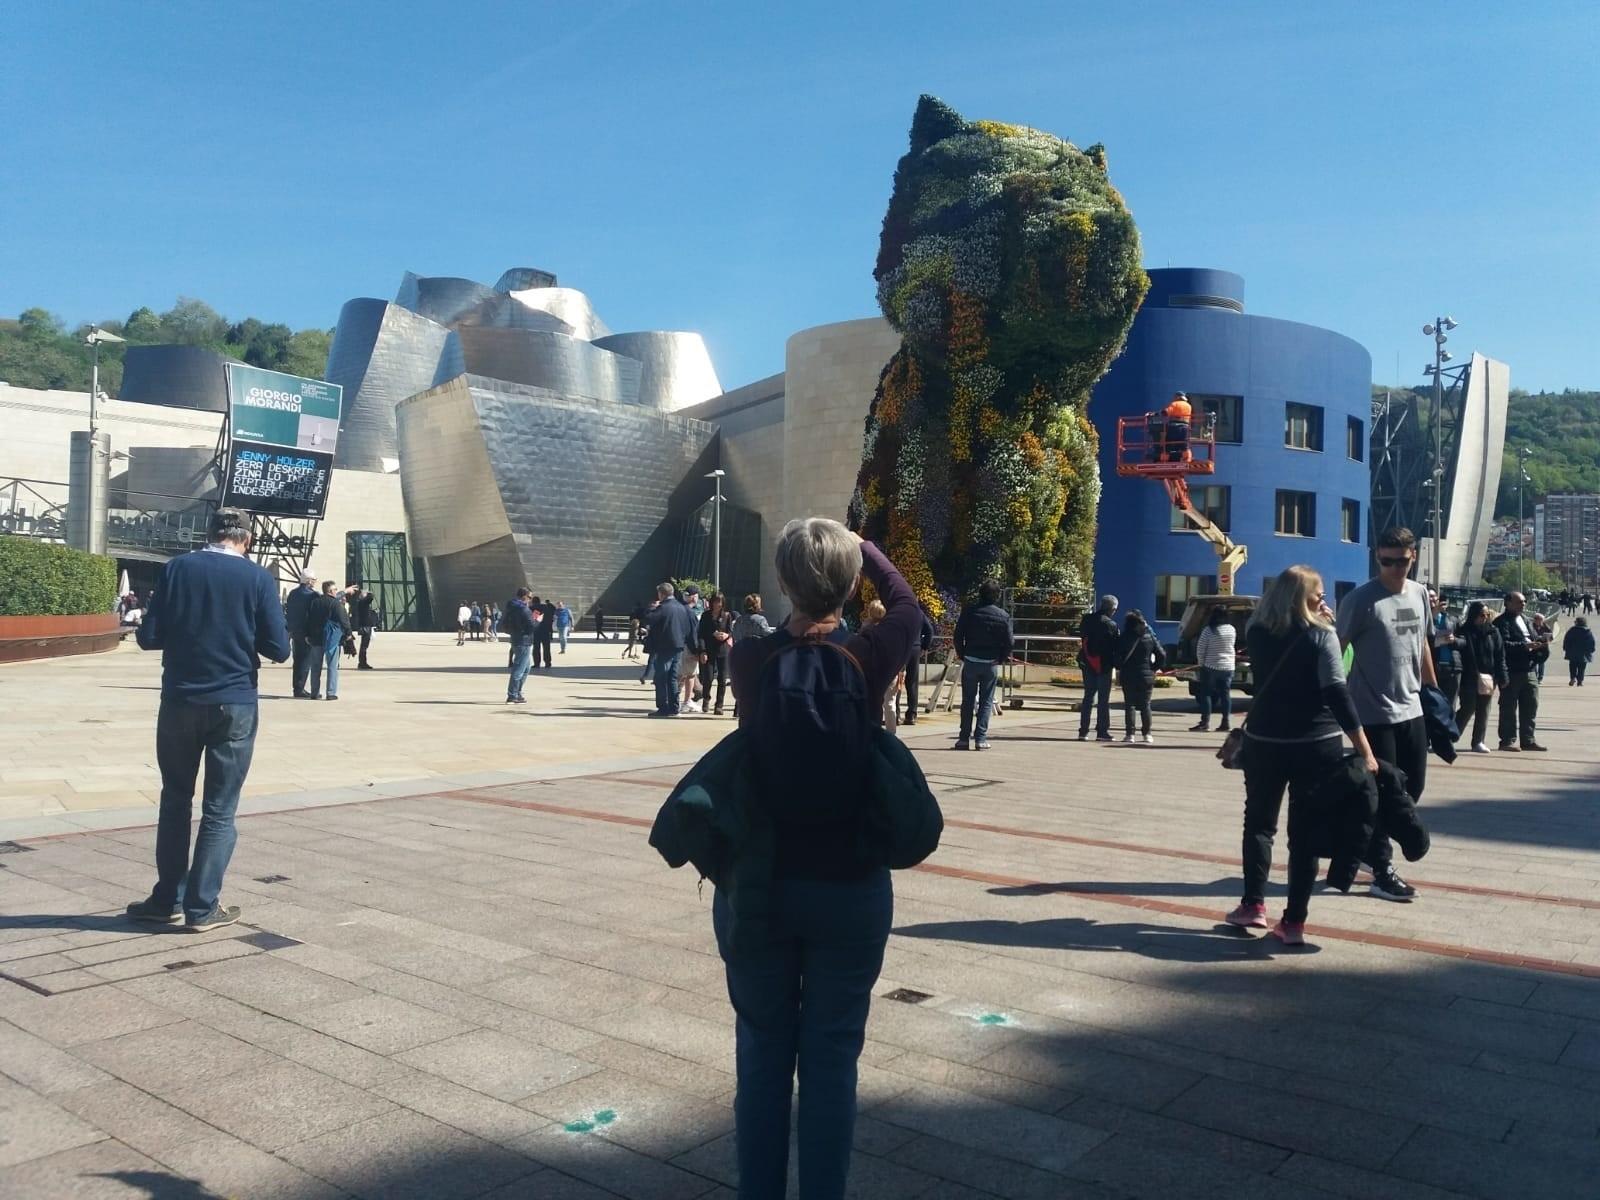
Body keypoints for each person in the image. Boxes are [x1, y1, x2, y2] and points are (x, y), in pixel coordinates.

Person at [722, 517, 918, 1196]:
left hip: (761, 887)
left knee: (762, 1055)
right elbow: (908, 605)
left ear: (782, 582)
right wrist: (863, 546)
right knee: (833, 1057)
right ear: (850, 583)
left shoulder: (749, 659)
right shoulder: (870, 655)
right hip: (851, 885)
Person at [127, 507, 290, 932]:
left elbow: (148, 637)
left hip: (180, 699)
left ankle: (167, 899)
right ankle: (202, 907)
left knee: (175, 799)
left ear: (209, 534)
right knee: (220, 808)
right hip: (233, 702)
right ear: (247, 540)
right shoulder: (258, 579)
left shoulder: (177, 569)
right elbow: (278, 647)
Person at [1228, 565, 1378, 945]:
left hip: (1266, 741)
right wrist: (1364, 748)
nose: (1323, 600)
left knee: (1259, 824)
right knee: (1305, 834)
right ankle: (1293, 923)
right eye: (1318, 594)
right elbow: (1336, 693)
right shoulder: (1321, 635)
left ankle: (1253, 905)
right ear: (1301, 597)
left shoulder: (1257, 631)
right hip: (1317, 744)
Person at [1336, 527, 1436, 902]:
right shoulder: (1361, 600)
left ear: (1413, 558)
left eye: (1401, 561)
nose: (1394, 568)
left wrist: (1433, 692)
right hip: (1373, 713)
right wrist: (1338, 704)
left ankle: (1363, 843)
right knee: (1379, 796)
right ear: (1377, 558)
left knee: (1413, 790)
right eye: (1386, 561)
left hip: (1412, 709)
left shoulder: (1419, 593)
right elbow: (1336, 649)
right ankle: (1381, 869)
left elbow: (1423, 641)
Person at [952, 580, 1013, 751]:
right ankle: (980, 738)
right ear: (996, 596)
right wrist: (1000, 658)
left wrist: (962, 654)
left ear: (980, 593)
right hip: (990, 663)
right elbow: (1009, 642)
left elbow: (958, 636)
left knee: (967, 701)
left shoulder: (969, 612)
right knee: (986, 701)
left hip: (971, 660)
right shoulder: (1003, 616)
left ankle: (963, 739)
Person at [1494, 592, 1546, 751]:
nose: (1523, 605)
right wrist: (1524, 646)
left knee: (1531, 705)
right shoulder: (1501, 622)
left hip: (1529, 670)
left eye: (1524, 602)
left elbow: (1534, 638)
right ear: (1507, 603)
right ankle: (1507, 741)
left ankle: (1528, 740)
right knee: (1508, 707)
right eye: (1519, 602)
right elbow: (1502, 645)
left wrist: (1542, 643)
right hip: (1512, 671)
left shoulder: (1526, 620)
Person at [1455, 601, 1506, 751]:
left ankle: (1478, 741)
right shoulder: (1465, 631)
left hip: (1489, 677)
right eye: (1481, 615)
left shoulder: (1493, 631)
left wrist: (1503, 676)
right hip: (1469, 677)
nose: (1484, 618)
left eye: (1487, 615)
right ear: (1473, 615)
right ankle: (1451, 736)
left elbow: (1500, 655)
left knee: (1484, 709)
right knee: (1468, 707)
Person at [644, 583, 697, 716]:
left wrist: (652, 608)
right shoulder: (681, 607)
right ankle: (674, 707)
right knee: (672, 677)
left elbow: (649, 619)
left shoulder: (663, 608)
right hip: (679, 646)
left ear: (661, 594)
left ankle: (662, 707)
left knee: (661, 677)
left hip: (664, 647)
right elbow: (687, 628)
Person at [1116, 610, 1165, 744]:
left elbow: (1116, 657)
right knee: (1145, 705)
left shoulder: (1124, 638)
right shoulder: (1149, 637)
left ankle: (1130, 734)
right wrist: (1153, 667)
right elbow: (1162, 655)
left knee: (1130, 705)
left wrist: (1120, 666)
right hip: (1146, 675)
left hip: (1128, 675)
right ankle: (1147, 734)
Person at [1077, 595, 1120, 742]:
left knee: (1088, 697)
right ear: (1112, 609)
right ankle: (1102, 731)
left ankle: (1083, 731)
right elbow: (1115, 646)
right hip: (1104, 665)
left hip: (1087, 662)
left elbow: (1082, 637)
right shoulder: (1111, 625)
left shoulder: (1087, 620)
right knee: (1103, 699)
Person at [304, 581, 352, 701]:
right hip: (331, 638)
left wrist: (307, 634)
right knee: (332, 666)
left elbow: (308, 619)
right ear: (330, 591)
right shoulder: (335, 604)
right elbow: (344, 620)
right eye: (335, 589)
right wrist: (348, 634)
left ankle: (314, 692)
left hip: (316, 639)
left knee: (315, 667)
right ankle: (330, 692)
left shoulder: (315, 602)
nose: (336, 591)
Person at [1191, 606, 1236, 732]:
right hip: (1228, 667)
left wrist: (1201, 663)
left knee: (1206, 694)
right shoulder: (1231, 629)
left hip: (1210, 666)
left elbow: (1200, 649)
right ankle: (1225, 722)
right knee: (1225, 694)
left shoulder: (1208, 630)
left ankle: (1205, 722)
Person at [697, 592, 736, 716]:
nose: (717, 604)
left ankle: (719, 705)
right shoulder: (706, 616)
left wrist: (726, 635)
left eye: (720, 602)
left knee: (722, 679)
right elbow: (701, 634)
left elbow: (730, 631)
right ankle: (706, 699)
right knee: (708, 677)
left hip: (723, 650)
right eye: (715, 601)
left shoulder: (727, 616)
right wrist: (702, 651)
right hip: (709, 650)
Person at [285, 569, 317, 698]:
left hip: (294, 631)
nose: (315, 582)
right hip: (306, 633)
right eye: (314, 580)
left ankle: (297, 687)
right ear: (309, 581)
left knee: (297, 661)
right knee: (305, 661)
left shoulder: (293, 593)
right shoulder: (312, 595)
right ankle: (300, 689)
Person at [502, 587, 536, 704]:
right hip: (524, 641)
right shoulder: (524, 610)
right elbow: (532, 626)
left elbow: (505, 623)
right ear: (524, 597)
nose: (530, 600)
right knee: (519, 669)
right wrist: (537, 620)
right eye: (530, 597)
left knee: (526, 667)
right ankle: (512, 695)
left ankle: (518, 692)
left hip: (516, 639)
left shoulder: (511, 608)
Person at [903, 602, 935, 728]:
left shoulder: (898, 611)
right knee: (912, 682)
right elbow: (929, 630)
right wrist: (924, 646)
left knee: (898, 680)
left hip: (902, 647)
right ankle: (912, 713)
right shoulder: (919, 613)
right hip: (915, 648)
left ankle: (895, 713)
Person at [1428, 588, 1460, 709]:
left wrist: (1454, 640)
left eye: (1434, 597)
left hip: (1452, 667)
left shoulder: (1452, 619)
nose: (1433, 600)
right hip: (1433, 666)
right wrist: (1434, 614)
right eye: (1429, 597)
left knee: (1450, 706)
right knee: (1434, 705)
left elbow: (1464, 640)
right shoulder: (1425, 618)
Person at [347, 585, 377, 670]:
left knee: (364, 646)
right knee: (364, 646)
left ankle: (362, 662)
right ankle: (362, 663)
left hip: (365, 625)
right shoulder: (363, 602)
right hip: (365, 626)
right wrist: (368, 593)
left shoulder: (361, 602)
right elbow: (371, 597)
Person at [1564, 615, 1595, 685]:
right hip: (1584, 653)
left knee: (1572, 666)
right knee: (1582, 668)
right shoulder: (1588, 631)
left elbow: (1567, 640)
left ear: (1577, 622)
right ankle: (1580, 681)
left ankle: (1572, 678)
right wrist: (1592, 650)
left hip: (1572, 652)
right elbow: (1591, 642)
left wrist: (1565, 648)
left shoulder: (1572, 630)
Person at [532, 596, 556, 668]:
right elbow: (551, 616)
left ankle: (537, 663)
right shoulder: (546, 608)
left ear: (533, 601)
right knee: (546, 647)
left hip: (536, 631)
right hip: (546, 630)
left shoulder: (533, 608)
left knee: (536, 647)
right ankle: (548, 662)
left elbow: (534, 620)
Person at [1530, 611, 1554, 684]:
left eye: (1542, 620)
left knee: (1541, 662)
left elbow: (1551, 638)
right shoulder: (1531, 626)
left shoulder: (1546, 627)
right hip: (1534, 646)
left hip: (1543, 647)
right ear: (1535, 620)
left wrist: (1547, 638)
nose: (1541, 622)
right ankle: (1535, 676)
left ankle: (1540, 678)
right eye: (1539, 620)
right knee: (1534, 661)